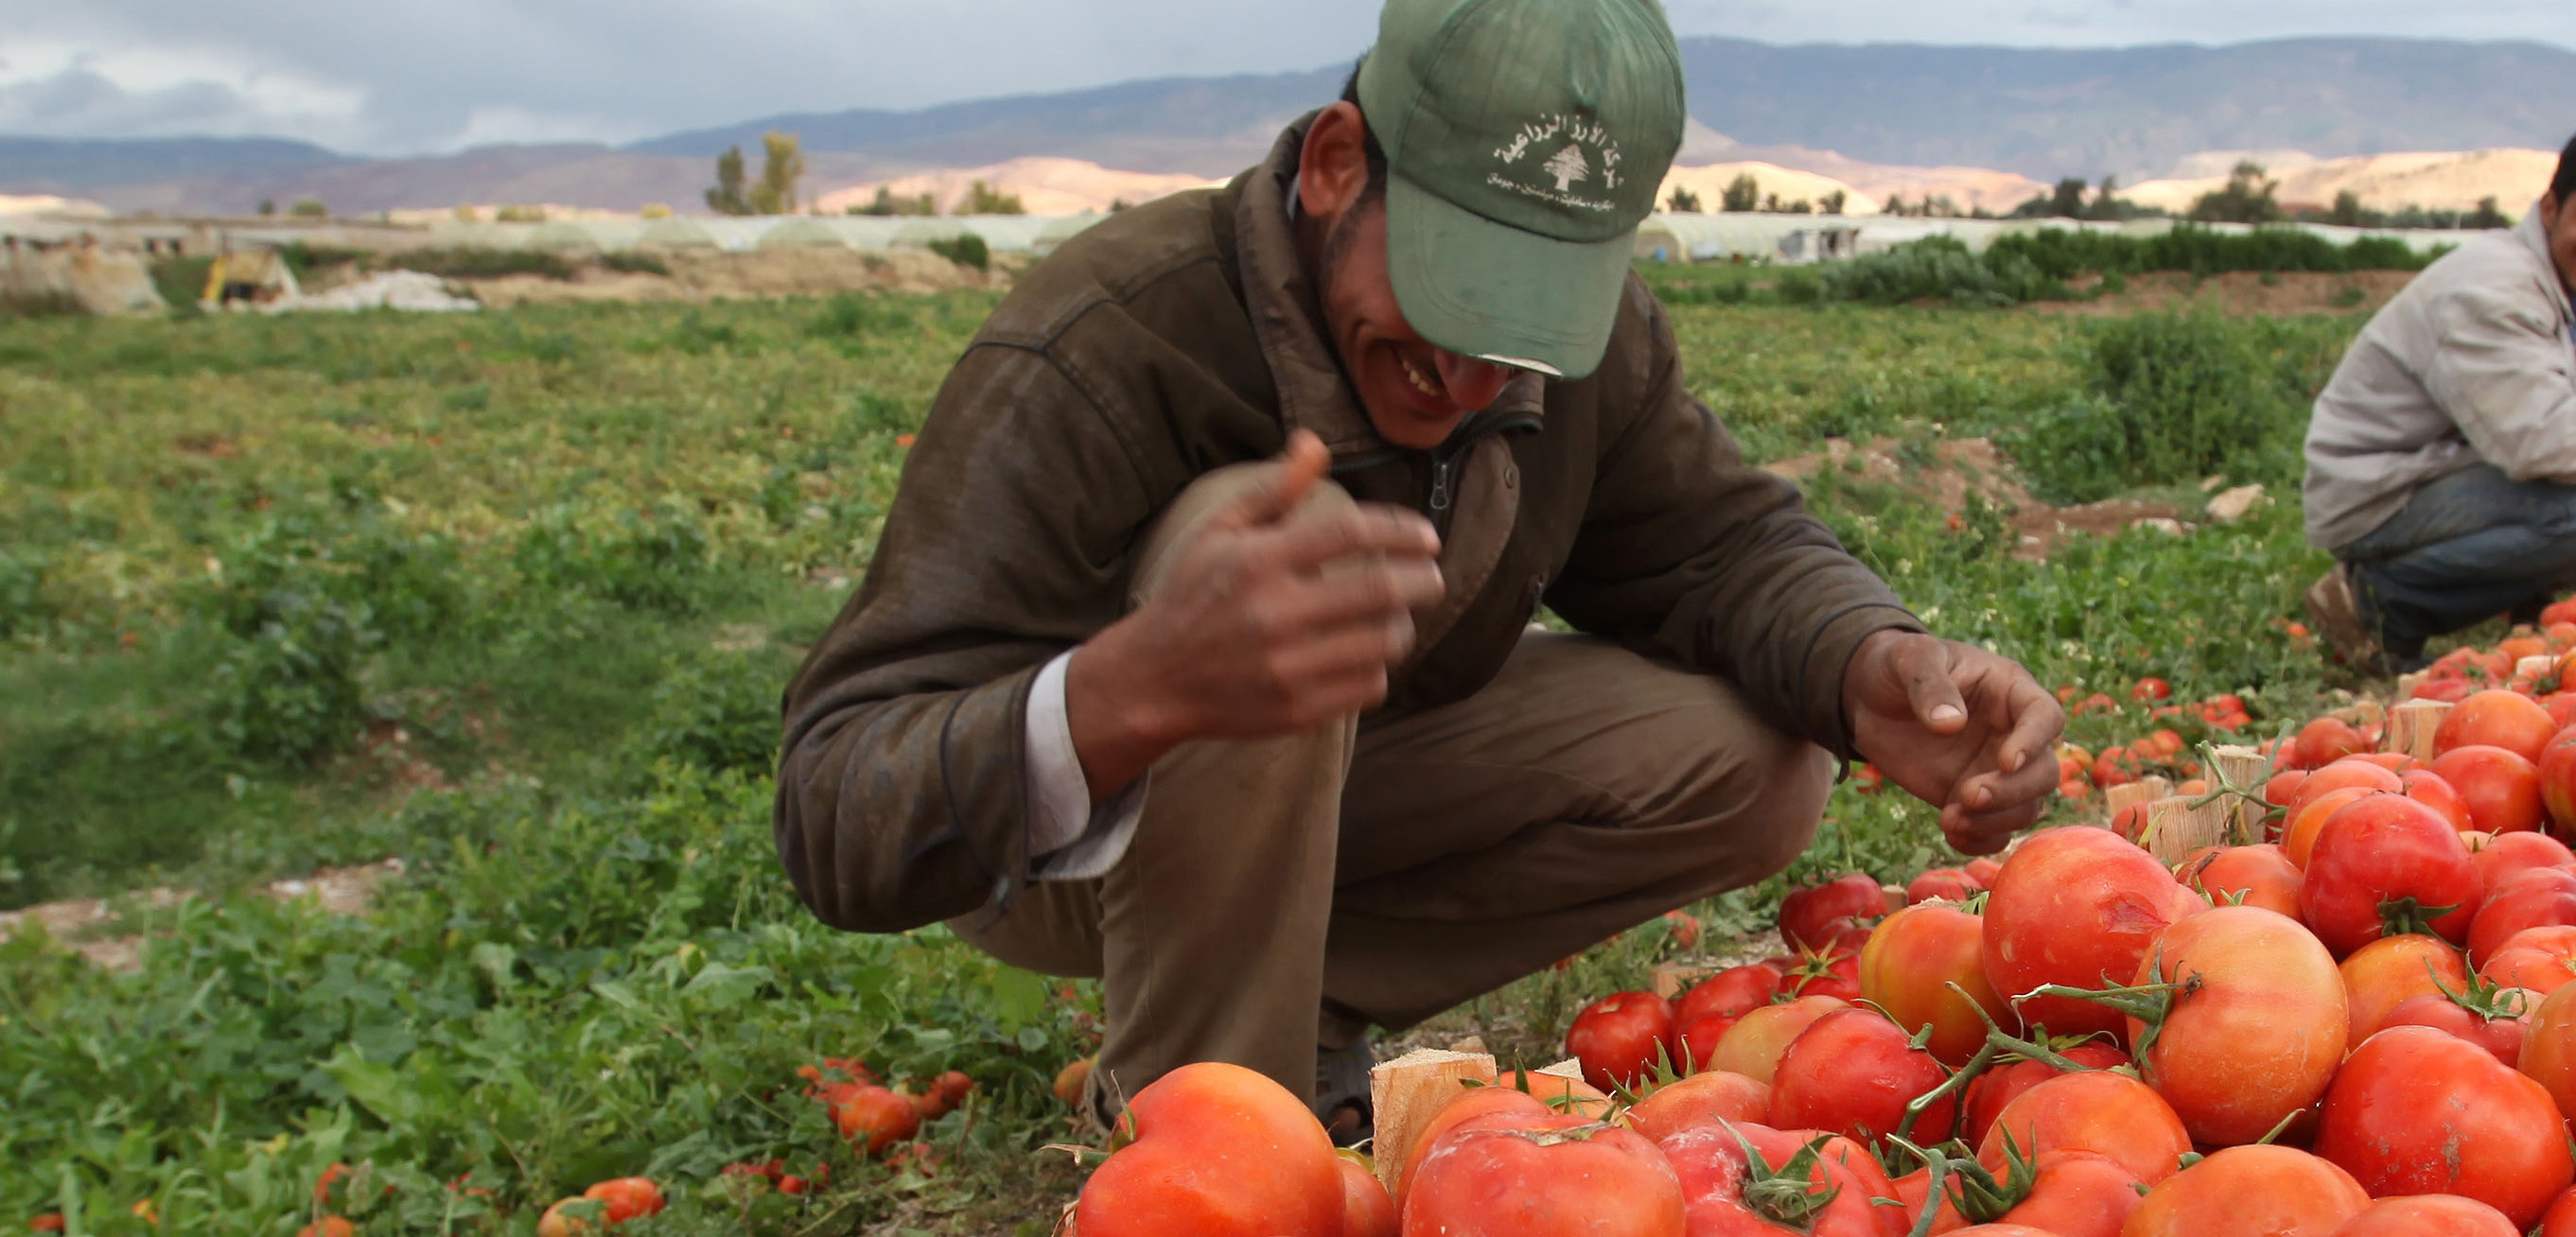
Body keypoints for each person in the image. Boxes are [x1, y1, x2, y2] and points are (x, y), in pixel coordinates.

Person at [775, 0, 2063, 1137]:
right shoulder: (1104, 343)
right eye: (1450, 298)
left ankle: (1291, 999)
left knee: (1755, 763)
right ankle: (1204, 1142)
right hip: (1077, 848)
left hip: (1344, 794)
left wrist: (1870, 661)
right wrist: (1130, 689)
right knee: (1272, 545)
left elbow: (1712, 544)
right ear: (1336, 164)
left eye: (1521, 329)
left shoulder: (1581, 351)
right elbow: (836, 808)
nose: (1467, 378)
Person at [2300, 121, 2576, 672]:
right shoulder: (2493, 286)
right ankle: (2377, 603)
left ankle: (2573, 614)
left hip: (2463, 467)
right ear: (2551, 208)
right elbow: (2539, 439)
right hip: (2378, 490)